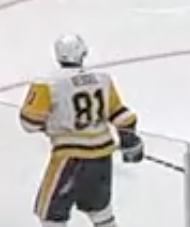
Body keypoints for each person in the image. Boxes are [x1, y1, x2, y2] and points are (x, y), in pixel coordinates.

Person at [19, 34, 143, 227]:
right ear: (83, 53)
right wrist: (129, 137)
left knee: (51, 216)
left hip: (69, 159)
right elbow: (121, 115)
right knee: (101, 212)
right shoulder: (102, 80)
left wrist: (51, 124)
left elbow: (29, 123)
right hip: (101, 159)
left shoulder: (47, 83)